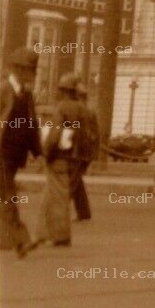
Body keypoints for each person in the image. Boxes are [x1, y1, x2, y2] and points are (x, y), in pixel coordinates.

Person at [0, 48, 44, 256]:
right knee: (7, 194)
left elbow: (31, 124)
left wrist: (38, 152)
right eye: (29, 70)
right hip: (0, 151)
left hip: (16, 154)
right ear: (17, 69)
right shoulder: (1, 90)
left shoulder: (26, 94)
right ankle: (20, 240)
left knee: (0, 194)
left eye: (32, 70)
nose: (32, 74)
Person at [41, 72, 85, 247]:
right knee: (56, 195)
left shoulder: (62, 108)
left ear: (63, 90)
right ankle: (47, 233)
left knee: (57, 196)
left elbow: (54, 135)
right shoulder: (83, 109)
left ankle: (60, 236)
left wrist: (47, 152)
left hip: (61, 157)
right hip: (77, 158)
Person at [65, 78, 100, 222]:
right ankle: (84, 212)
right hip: (85, 152)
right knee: (76, 180)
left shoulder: (78, 111)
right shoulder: (89, 111)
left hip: (78, 152)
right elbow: (95, 135)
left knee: (70, 183)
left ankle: (59, 212)